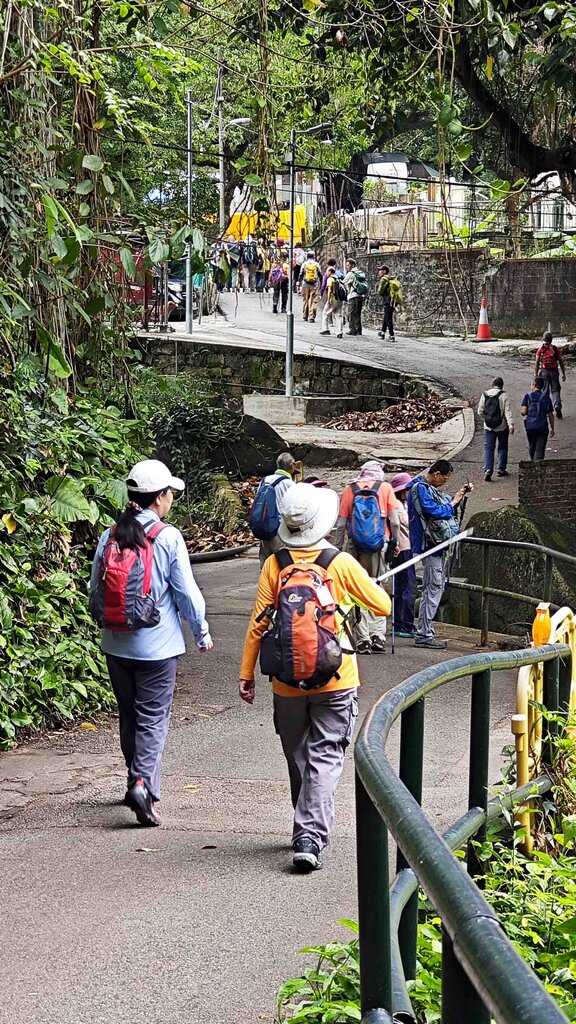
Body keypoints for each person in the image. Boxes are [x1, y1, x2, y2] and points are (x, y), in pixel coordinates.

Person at [239, 483, 391, 872]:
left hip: (286, 681)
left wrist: (247, 673)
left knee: (299, 755)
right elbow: (383, 606)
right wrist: (355, 593)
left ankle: (305, 826)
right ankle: (309, 835)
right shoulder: (340, 562)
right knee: (325, 755)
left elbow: (258, 624)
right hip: (336, 677)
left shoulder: (275, 564)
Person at [89, 459, 213, 826]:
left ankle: (135, 779)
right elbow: (186, 593)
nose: (171, 498)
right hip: (158, 648)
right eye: (170, 493)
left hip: (116, 644)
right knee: (153, 719)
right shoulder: (168, 537)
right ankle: (141, 784)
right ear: (159, 498)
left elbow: (95, 586)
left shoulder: (110, 534)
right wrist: (201, 632)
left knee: (129, 714)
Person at [334, 460, 400, 655]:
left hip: (355, 545)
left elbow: (341, 523)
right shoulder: (385, 488)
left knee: (356, 588)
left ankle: (363, 639)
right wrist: (394, 542)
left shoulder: (350, 489)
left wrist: (337, 548)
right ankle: (378, 635)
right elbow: (395, 522)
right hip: (379, 545)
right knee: (377, 586)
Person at [406, 460, 472, 650]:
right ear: (436, 474)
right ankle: (424, 633)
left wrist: (459, 495)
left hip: (433, 545)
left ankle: (425, 631)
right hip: (430, 545)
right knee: (433, 588)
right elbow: (434, 510)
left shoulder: (424, 488)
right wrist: (453, 503)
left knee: (433, 587)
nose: (445, 482)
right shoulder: (420, 489)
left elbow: (442, 501)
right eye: (445, 478)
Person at [252, 452, 296, 565]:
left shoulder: (265, 480)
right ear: (292, 466)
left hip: (264, 527)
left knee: (265, 563)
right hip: (279, 530)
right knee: (283, 564)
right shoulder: (289, 484)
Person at [388, 472, 416, 638]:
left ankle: (400, 622)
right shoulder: (397, 505)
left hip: (404, 548)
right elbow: (402, 524)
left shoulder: (401, 504)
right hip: (403, 549)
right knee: (408, 587)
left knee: (400, 586)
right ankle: (405, 624)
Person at [477, 376, 515, 481]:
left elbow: (480, 411)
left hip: (488, 426)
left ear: (492, 384)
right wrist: (511, 424)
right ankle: (501, 470)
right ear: (501, 385)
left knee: (488, 448)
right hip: (502, 426)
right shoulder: (504, 395)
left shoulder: (485, 394)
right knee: (502, 447)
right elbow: (507, 412)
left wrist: (488, 418)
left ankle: (488, 469)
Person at [521, 376, 555, 460]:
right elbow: (550, 414)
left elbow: (523, 412)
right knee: (540, 449)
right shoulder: (546, 397)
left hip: (530, 427)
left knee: (532, 446)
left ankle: (532, 462)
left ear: (534, 385)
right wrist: (552, 428)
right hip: (542, 426)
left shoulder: (527, 396)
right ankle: (538, 464)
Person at [535, 331, 566, 419]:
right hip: (554, 371)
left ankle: (546, 409)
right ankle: (557, 405)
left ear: (543, 339)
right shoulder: (555, 349)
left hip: (544, 371)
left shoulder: (540, 350)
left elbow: (537, 362)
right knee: (555, 389)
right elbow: (561, 361)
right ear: (552, 339)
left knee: (545, 390)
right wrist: (563, 373)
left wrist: (536, 374)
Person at [319, 266, 344, 338]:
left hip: (333, 299)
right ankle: (339, 332)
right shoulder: (338, 279)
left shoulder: (330, 279)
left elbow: (330, 290)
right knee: (338, 315)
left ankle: (325, 329)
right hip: (339, 299)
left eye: (327, 272)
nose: (326, 273)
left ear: (330, 272)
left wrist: (329, 300)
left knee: (325, 313)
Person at [376, 266, 400, 342]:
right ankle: (382, 332)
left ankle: (391, 335)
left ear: (384, 271)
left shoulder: (384, 279)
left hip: (387, 300)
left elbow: (380, 291)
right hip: (393, 300)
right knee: (386, 316)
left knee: (388, 318)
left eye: (380, 270)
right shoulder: (391, 278)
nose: (379, 272)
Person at [343, 258, 366, 336]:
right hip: (361, 295)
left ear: (352, 265)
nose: (346, 267)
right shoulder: (360, 272)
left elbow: (343, 282)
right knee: (358, 313)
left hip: (353, 295)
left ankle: (352, 330)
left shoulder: (351, 273)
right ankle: (359, 330)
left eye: (348, 265)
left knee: (351, 313)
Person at [299, 250, 322, 323]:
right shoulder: (316, 264)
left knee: (305, 300)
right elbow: (320, 274)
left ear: (307, 257)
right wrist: (320, 283)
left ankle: (305, 315)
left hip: (305, 284)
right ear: (314, 257)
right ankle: (311, 317)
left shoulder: (304, 264)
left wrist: (299, 283)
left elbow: (301, 274)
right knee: (313, 301)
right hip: (314, 284)